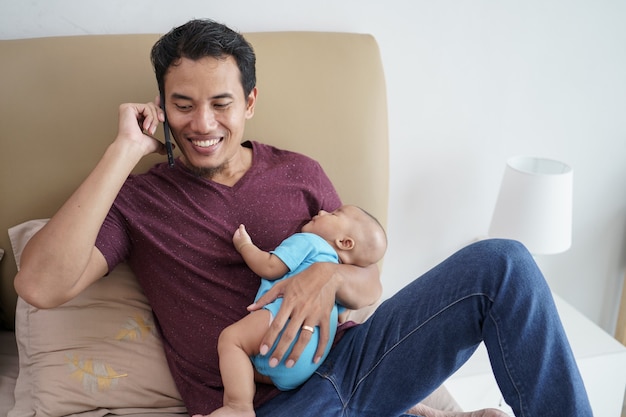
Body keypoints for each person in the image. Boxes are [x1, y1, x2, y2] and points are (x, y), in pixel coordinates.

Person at [14, 18, 592, 417]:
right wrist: (122, 151)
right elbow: (40, 284)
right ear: (161, 106)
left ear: (250, 103)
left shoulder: (299, 173)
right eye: (182, 105)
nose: (203, 124)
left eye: (221, 104)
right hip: (272, 407)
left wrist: (330, 277)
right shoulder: (140, 201)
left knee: (504, 263)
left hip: (361, 363)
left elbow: (369, 285)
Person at [210, 205, 387, 417]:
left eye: (333, 214)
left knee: (232, 340)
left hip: (280, 326)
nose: (322, 212)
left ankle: (238, 407)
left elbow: (268, 266)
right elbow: (341, 316)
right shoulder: (337, 284)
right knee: (246, 360)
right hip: (304, 367)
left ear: (344, 242)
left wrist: (244, 246)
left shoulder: (310, 242)